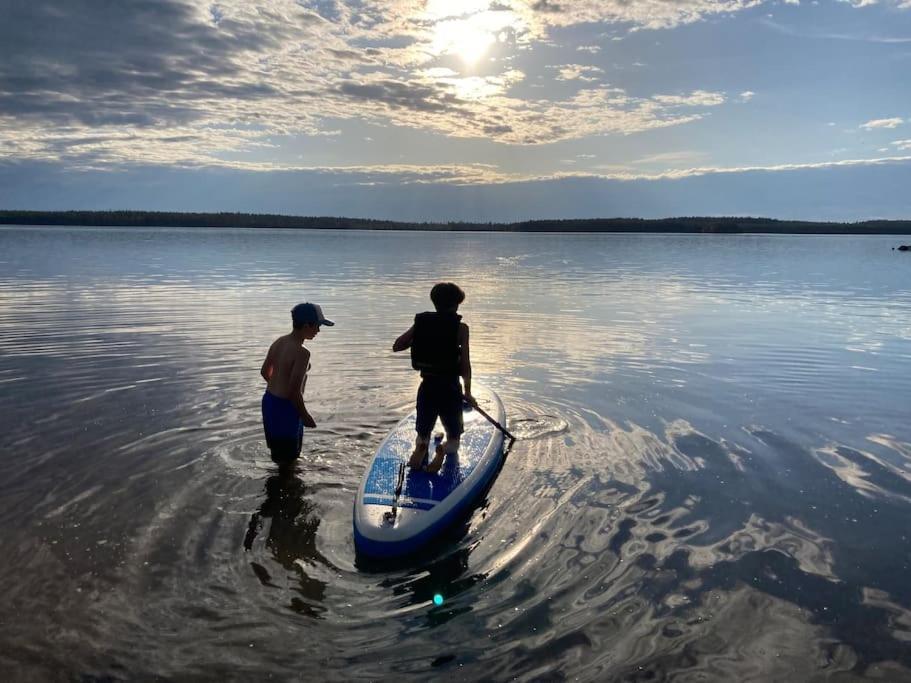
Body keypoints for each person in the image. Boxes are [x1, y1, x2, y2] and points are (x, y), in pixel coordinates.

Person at [393, 282, 475, 474]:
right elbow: (465, 365)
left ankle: (421, 446)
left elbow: (398, 345)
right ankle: (443, 450)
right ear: (456, 305)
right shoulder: (461, 328)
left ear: (434, 302)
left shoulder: (421, 323)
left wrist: (420, 337)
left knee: (423, 431)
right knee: (454, 438)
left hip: (427, 386)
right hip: (450, 388)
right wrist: (468, 393)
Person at [260, 303, 333, 465]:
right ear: (307, 325)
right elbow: (294, 390)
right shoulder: (302, 352)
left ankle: (276, 485)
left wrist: (278, 387)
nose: (318, 331)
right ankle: (288, 488)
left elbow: (265, 371)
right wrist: (305, 415)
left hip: (269, 402)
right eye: (318, 326)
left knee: (278, 455)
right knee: (290, 459)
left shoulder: (280, 341)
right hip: (287, 408)